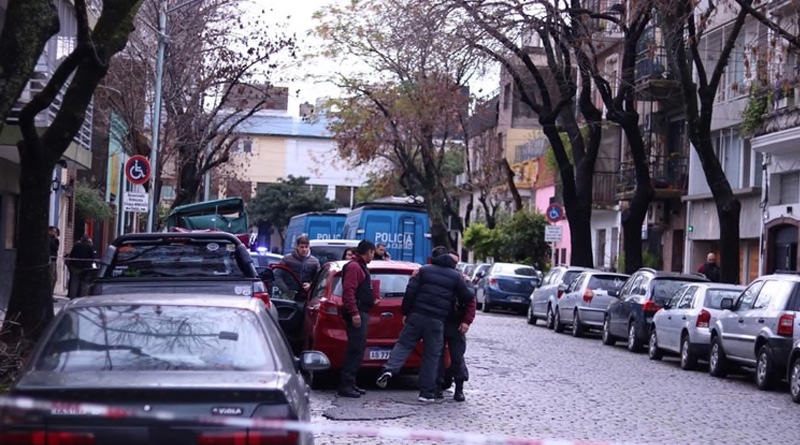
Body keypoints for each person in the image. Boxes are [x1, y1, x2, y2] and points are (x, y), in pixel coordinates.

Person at [375, 246, 472, 403]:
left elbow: (410, 292)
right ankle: (426, 393)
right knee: (431, 356)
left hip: (416, 316)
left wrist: (406, 312)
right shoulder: (455, 276)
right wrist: (464, 284)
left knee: (404, 344)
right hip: (436, 321)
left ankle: (389, 370)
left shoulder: (424, 270)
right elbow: (467, 297)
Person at [338, 240, 376, 398]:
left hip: (361, 310)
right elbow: (349, 291)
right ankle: (346, 384)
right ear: (368, 252)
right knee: (355, 349)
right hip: (357, 312)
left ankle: (351, 382)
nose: (372, 256)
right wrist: (354, 313)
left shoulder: (359, 266)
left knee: (358, 349)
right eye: (372, 253)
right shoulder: (354, 267)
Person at [436, 250, 476, 402]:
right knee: (437, 356)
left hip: (456, 323)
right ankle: (437, 387)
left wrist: (466, 321)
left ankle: (459, 388)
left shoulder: (462, 280)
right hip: (440, 321)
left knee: (457, 357)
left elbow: (471, 301)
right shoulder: (439, 277)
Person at [66, 234, 96, 299]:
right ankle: (83, 298)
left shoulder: (76, 246)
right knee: (84, 283)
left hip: (76, 267)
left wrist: (72, 265)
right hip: (86, 268)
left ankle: (72, 297)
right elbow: (92, 258)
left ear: (81, 239)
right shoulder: (89, 247)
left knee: (74, 283)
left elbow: (72, 255)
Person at [49, 226, 60, 294]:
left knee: (54, 278)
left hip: (54, 260)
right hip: (51, 260)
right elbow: (54, 247)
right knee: (52, 277)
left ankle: (51, 293)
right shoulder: (49, 240)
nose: (55, 233)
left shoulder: (55, 240)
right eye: (54, 231)